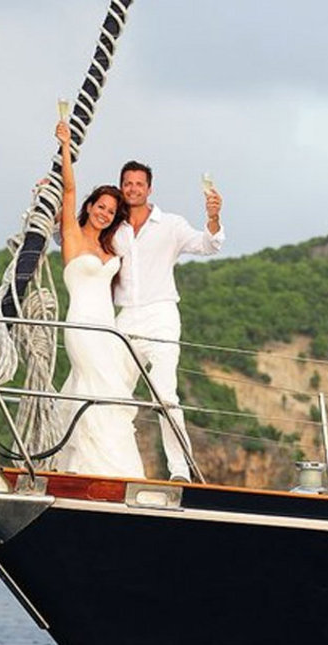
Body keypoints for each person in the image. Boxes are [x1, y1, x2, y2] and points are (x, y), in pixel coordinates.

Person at [113, 160, 224, 482]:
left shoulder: (170, 224)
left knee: (165, 395)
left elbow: (208, 245)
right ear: (121, 187)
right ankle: (114, 466)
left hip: (161, 315)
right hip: (125, 318)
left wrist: (213, 217)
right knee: (113, 393)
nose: (133, 188)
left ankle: (180, 470)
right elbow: (76, 241)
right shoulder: (113, 226)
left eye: (139, 183)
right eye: (128, 183)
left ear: (149, 189)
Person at [54, 121, 145, 479]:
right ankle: (101, 470)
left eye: (110, 211)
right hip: (81, 325)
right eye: (100, 206)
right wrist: (65, 145)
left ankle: (101, 471)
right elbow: (69, 189)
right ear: (90, 206)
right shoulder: (72, 236)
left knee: (112, 391)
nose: (104, 213)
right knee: (97, 388)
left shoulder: (110, 247)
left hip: (108, 329)